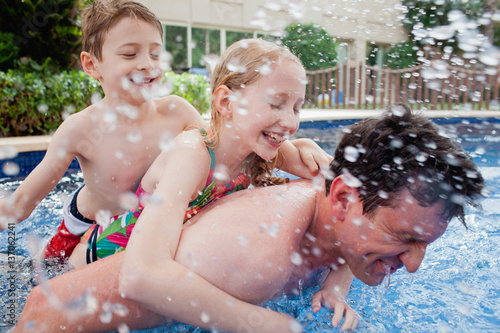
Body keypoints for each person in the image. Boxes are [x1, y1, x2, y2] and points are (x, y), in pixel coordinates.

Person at [15, 105, 485, 333]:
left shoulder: (342, 220)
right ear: (342, 199)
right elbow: (45, 311)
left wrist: (341, 277)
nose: (415, 264)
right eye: (404, 239)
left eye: (425, 244)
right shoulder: (250, 254)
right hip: (102, 244)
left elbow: (349, 238)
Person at [0, 1, 325, 261]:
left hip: (146, 219)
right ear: (91, 65)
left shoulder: (175, 110)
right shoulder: (79, 129)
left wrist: (298, 147)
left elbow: (228, 142)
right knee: (47, 272)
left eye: (155, 53)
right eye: (130, 54)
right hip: (88, 224)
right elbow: (22, 205)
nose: (147, 63)